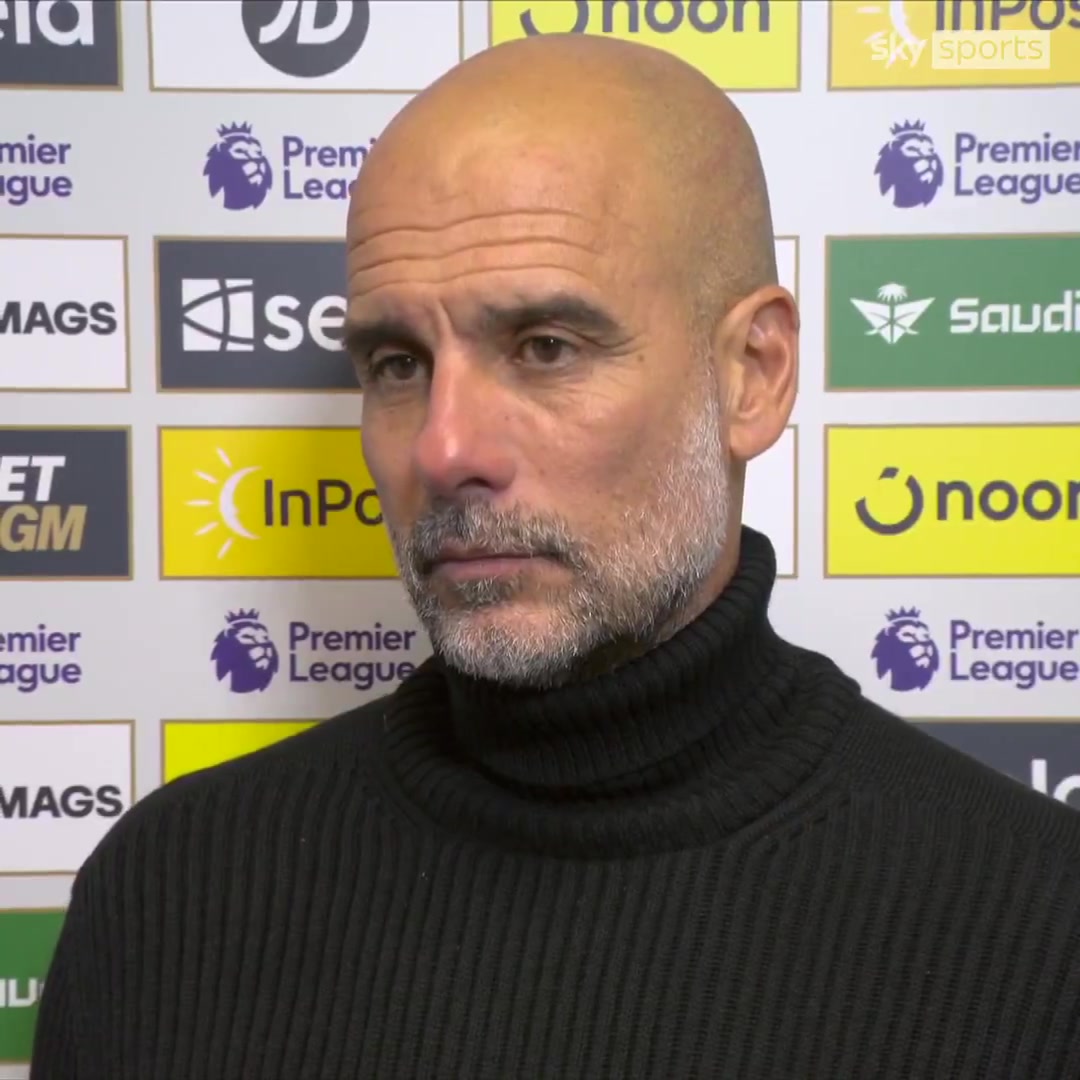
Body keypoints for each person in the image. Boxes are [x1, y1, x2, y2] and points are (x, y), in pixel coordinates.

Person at [31, 33, 1080, 1080]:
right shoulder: (170, 896)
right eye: (397, 363)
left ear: (753, 376)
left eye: (546, 347)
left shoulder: (1040, 933)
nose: (445, 449)